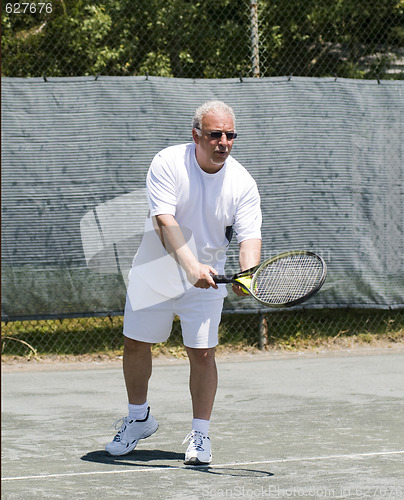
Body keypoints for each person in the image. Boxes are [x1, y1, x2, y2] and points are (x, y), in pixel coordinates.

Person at [105, 100, 262, 465]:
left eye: (230, 135)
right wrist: (191, 266)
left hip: (206, 281)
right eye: (215, 134)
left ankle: (201, 435)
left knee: (203, 354)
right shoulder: (168, 162)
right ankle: (138, 417)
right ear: (196, 135)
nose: (223, 142)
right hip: (155, 272)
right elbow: (165, 222)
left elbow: (249, 238)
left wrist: (246, 274)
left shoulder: (243, 183)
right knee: (134, 344)